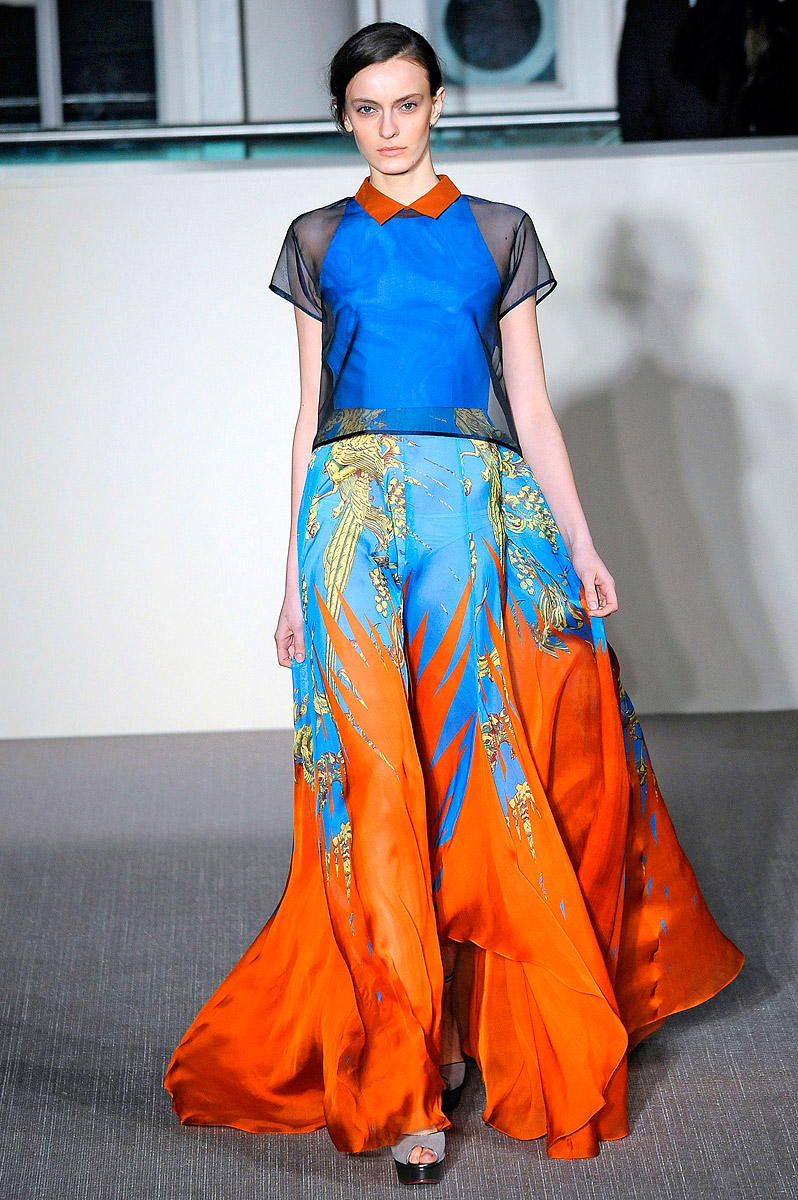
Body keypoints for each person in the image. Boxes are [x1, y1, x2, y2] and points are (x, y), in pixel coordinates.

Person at [164, 21, 744, 1186]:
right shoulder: (316, 238)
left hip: (475, 522)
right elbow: (307, 417)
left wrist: (581, 541)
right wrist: (289, 579)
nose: (389, 126)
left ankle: (480, 1019)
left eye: (407, 103)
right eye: (366, 107)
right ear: (344, 117)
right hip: (348, 530)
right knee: (372, 789)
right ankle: (406, 1083)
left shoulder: (497, 232)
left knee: (484, 779)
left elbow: (531, 405)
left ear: (437, 106)